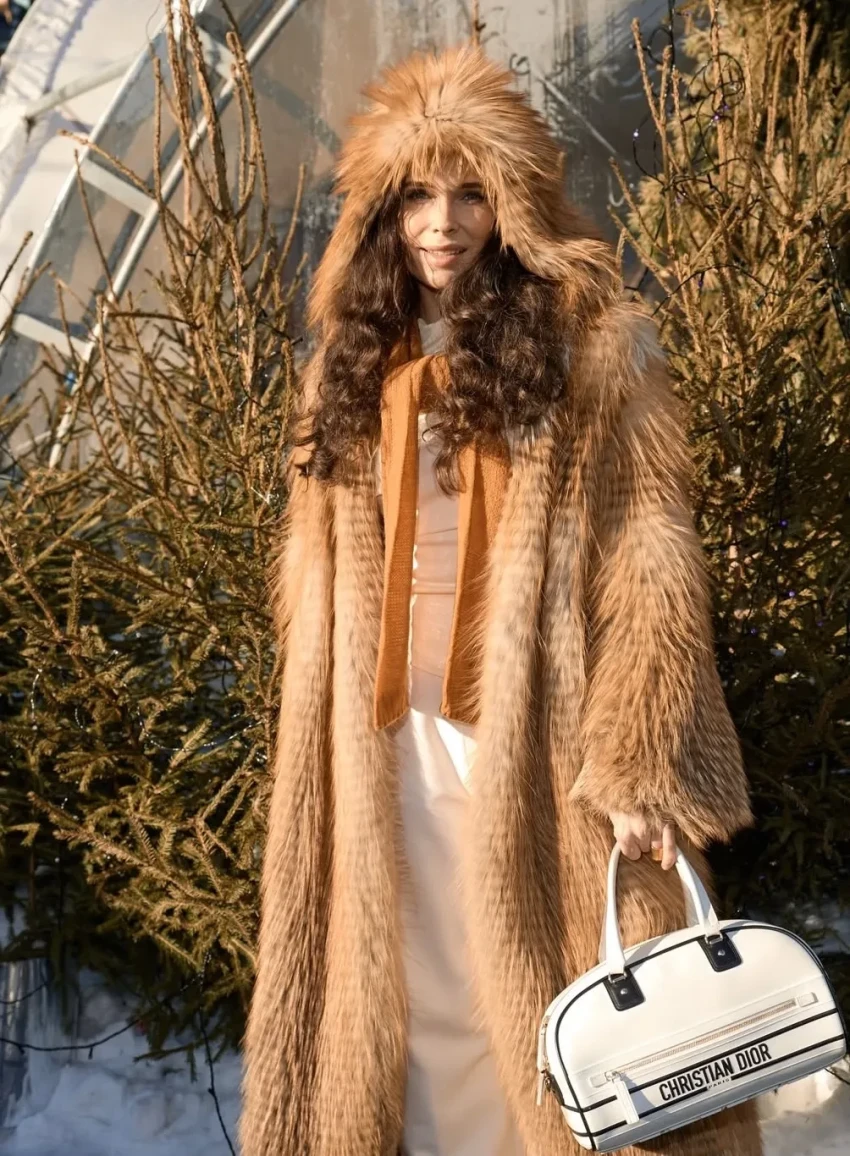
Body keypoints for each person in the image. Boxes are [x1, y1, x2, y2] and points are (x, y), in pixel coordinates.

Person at [239, 42, 763, 1156]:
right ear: (380, 211)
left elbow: (651, 563)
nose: (442, 222)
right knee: (406, 996)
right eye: (417, 194)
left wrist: (644, 763)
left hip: (534, 742)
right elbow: (316, 579)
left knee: (539, 999)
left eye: (470, 192)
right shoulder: (348, 360)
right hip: (383, 740)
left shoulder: (590, 352)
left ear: (513, 204)